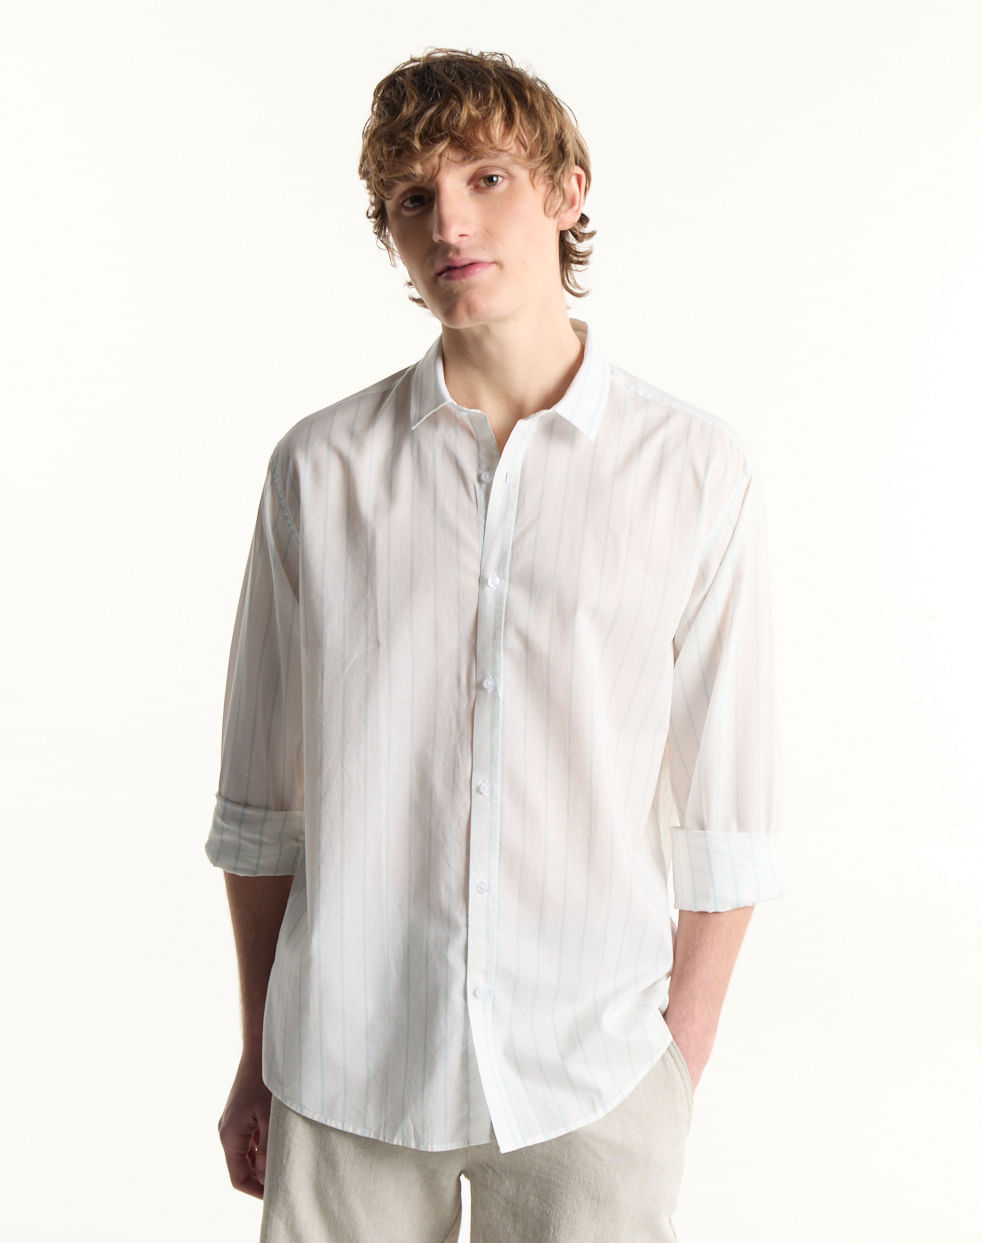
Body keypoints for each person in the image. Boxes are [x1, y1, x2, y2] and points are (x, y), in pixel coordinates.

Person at [207, 48, 782, 1242]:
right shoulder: (318, 469)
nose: (450, 224)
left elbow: (725, 818)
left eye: (485, 177)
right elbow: (262, 809)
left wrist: (672, 1070)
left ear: (568, 190)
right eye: (413, 198)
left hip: (594, 1074)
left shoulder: (692, 471)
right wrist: (261, 1050)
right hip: (345, 1069)